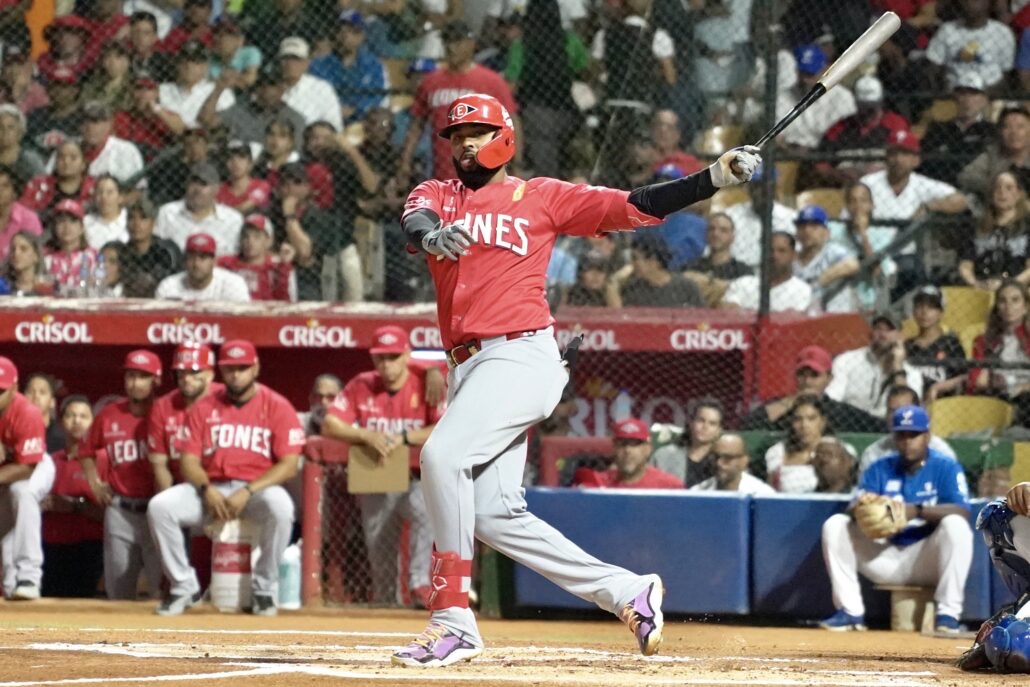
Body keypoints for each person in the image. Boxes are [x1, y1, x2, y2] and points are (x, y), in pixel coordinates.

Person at [392, 92, 761, 666]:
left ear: (506, 135)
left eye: (479, 133)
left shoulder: (540, 196)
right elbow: (415, 222)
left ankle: (452, 619)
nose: (466, 144)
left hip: (519, 354)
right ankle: (625, 592)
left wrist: (712, 177)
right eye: (458, 136)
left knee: (441, 459)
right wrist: (430, 236)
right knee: (491, 514)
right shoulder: (438, 195)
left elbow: (635, 204)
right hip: (468, 366)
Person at [147, 339, 304, 616]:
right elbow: (188, 460)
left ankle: (264, 588)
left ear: (255, 368)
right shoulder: (204, 407)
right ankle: (184, 587)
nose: (235, 374)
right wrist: (206, 489)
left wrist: (249, 490)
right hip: (211, 489)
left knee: (282, 508)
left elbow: (290, 464)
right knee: (161, 507)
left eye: (242, 368)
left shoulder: (276, 405)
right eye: (230, 368)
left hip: (256, 490)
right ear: (221, 371)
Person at [819, 405, 973, 633]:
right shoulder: (880, 467)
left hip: (926, 557)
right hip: (885, 555)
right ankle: (851, 613)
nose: (908, 441)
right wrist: (865, 507)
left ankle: (948, 615)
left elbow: (962, 511)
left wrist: (916, 511)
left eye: (914, 434)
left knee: (956, 526)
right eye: (902, 435)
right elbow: (853, 506)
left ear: (927, 436)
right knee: (835, 525)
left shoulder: (945, 466)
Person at [322, 325, 444, 607]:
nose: (387, 365)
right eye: (381, 358)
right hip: (378, 474)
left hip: (418, 476)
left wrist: (403, 438)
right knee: (379, 546)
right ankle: (388, 603)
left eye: (393, 357)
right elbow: (330, 423)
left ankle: (419, 583)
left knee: (426, 513)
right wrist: (366, 435)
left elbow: (443, 426)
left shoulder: (426, 380)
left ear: (406, 356)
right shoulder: (361, 384)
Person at [78, 350, 163, 600]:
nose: (135, 383)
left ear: (155, 380)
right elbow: (85, 451)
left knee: (159, 589)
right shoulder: (110, 413)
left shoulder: (163, 413)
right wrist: (94, 482)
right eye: (130, 376)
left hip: (157, 510)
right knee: (119, 590)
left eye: (142, 377)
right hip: (121, 510)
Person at [397, 21, 519, 183]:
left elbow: (511, 122)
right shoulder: (431, 82)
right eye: (447, 41)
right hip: (443, 175)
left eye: (457, 41)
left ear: (471, 44)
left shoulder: (491, 82)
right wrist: (405, 161)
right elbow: (417, 125)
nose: (451, 47)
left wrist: (516, 161)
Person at [40, 395, 105, 598]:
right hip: (49, 549)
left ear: (93, 423)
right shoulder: (48, 461)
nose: (77, 421)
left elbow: (110, 514)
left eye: (83, 416)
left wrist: (74, 506)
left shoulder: (102, 460)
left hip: (88, 549)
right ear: (61, 422)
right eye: (71, 415)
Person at [0, 356, 54, 601]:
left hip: (34, 465)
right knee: (4, 525)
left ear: (14, 388)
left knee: (23, 492)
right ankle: (12, 586)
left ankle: (29, 576)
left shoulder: (26, 412)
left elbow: (27, 467)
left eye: (0, 391)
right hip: (6, 471)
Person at [739, 345, 883, 433]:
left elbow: (879, 427)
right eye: (802, 375)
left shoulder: (841, 411)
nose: (807, 381)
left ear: (829, 378)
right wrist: (793, 400)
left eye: (815, 375)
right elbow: (747, 425)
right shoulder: (782, 405)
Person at [811, 75, 908, 188]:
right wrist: (837, 174)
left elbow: (908, 160)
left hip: (885, 186)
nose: (867, 111)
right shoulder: (840, 127)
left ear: (881, 102)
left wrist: (884, 172)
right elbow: (820, 163)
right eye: (864, 106)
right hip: (844, 187)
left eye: (872, 107)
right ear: (856, 102)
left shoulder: (896, 124)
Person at [147, 343, 221, 493]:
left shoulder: (226, 399)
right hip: (183, 487)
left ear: (210, 374)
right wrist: (170, 498)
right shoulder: (163, 406)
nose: (186, 379)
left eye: (194, 372)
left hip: (224, 484)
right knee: (158, 507)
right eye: (181, 373)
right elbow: (160, 464)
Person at [826, 312, 926, 418]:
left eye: (889, 330)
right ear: (871, 332)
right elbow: (833, 398)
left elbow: (908, 412)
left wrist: (898, 368)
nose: (882, 334)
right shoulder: (847, 360)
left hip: (887, 426)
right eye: (878, 328)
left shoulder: (912, 373)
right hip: (849, 420)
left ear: (900, 336)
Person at [968, 279, 1030, 425]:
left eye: (1015, 300)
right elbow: (978, 380)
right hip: (997, 398)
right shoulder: (983, 341)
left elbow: (988, 378)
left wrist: (1017, 386)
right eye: (1002, 301)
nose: (1008, 306)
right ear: (996, 306)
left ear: (1025, 307)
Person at [858, 385, 957, 474]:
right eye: (892, 411)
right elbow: (865, 492)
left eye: (904, 410)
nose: (897, 416)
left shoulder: (942, 452)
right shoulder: (874, 453)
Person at [309, 11, 387, 125]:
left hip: (363, 121)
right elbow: (315, 95)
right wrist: (336, 109)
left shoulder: (373, 64)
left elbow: (377, 95)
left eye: (353, 32)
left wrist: (355, 109)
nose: (346, 36)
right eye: (341, 31)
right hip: (327, 120)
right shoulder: (319, 65)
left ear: (362, 36)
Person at [919, 73, 995, 186]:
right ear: (955, 97)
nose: (967, 100)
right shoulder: (938, 128)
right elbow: (924, 161)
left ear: (984, 99)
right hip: (939, 185)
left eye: (973, 94)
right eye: (963, 94)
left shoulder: (991, 130)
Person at [958, 170, 1030, 289]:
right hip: (982, 287)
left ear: (1018, 194)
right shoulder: (977, 227)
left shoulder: (1027, 226)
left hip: (1018, 288)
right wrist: (976, 284)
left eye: (1009, 188)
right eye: (997, 187)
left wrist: (1008, 286)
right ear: (991, 194)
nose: (1002, 192)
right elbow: (965, 265)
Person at [154, 163, 244, 256]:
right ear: (186, 185)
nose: (197, 189)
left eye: (203, 184)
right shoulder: (167, 213)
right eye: (193, 183)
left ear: (216, 189)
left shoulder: (233, 220)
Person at [925, 0, 1016, 91]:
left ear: (988, 3)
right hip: (953, 93)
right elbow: (933, 68)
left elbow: (1006, 73)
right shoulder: (947, 30)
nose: (969, 3)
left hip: (990, 93)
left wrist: (985, 95)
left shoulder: (1002, 33)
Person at [572, 417, 684, 489]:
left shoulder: (668, 486)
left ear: (648, 449)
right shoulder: (598, 484)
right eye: (622, 444)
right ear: (614, 448)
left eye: (635, 444)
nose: (627, 450)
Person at [720, 231, 813, 312]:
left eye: (782, 251)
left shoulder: (803, 290)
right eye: (770, 250)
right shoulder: (743, 284)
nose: (774, 255)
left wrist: (746, 312)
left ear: (794, 255)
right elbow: (728, 309)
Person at [764, 394, 839, 494]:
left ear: (823, 422)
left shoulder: (839, 451)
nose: (804, 425)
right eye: (798, 419)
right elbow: (771, 491)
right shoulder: (777, 452)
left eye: (811, 418)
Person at [904, 285, 968, 402]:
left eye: (931, 307)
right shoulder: (908, 346)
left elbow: (965, 377)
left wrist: (938, 387)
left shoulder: (951, 344)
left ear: (941, 313)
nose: (924, 312)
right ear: (913, 312)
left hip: (943, 405)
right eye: (919, 306)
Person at [792, 205, 859, 313]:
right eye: (802, 226)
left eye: (814, 226)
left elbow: (852, 265)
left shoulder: (832, 251)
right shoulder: (792, 259)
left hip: (836, 318)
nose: (807, 231)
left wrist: (818, 282)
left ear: (826, 232)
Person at [610, 231, 704, 308]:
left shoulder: (686, 288)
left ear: (653, 261)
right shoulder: (633, 289)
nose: (632, 264)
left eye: (635, 258)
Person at [217, 214, 297, 301]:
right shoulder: (226, 263)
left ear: (269, 241)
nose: (250, 241)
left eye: (257, 237)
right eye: (245, 236)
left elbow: (285, 302)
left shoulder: (278, 266)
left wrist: (284, 267)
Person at [958, 107, 1030, 203]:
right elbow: (965, 177)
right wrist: (998, 185)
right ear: (1000, 132)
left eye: (1020, 127)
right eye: (1007, 127)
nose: (1014, 133)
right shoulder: (992, 154)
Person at [158, 40, 234, 130]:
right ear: (177, 63)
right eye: (185, 60)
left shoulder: (222, 92)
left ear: (205, 66)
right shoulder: (162, 90)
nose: (189, 65)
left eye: (196, 62)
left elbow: (216, 124)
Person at [155, 232, 251, 302]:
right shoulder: (169, 286)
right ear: (184, 261)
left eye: (203, 258)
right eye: (191, 257)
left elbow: (242, 322)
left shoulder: (233, 284)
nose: (196, 264)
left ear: (214, 261)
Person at [649, 398, 723, 488]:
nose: (705, 426)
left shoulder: (722, 461)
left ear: (719, 430)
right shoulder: (664, 456)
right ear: (691, 422)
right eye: (701, 420)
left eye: (712, 423)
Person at [683, 213, 754, 307]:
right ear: (706, 235)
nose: (716, 234)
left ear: (732, 237)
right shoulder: (691, 265)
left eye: (723, 230)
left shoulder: (742, 270)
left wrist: (707, 283)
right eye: (711, 229)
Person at [113, 73, 186, 163]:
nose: (143, 93)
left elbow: (181, 130)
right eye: (139, 88)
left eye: (149, 89)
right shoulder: (122, 116)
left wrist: (156, 110)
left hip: (158, 164)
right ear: (131, 91)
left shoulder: (165, 115)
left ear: (156, 93)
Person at [20, 141, 96, 226]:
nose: (66, 162)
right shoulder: (38, 185)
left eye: (73, 158)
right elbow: (23, 214)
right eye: (61, 157)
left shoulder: (96, 188)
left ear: (83, 164)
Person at [120, 196, 182, 298]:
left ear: (153, 223)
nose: (136, 224)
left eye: (143, 218)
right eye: (131, 218)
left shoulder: (167, 251)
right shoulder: (122, 252)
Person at [278, 37, 343, 132]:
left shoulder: (322, 89)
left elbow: (335, 125)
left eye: (296, 59)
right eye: (286, 58)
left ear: (307, 62)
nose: (290, 64)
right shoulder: (270, 89)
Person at [43, 199, 98, 295]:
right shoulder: (45, 257)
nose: (67, 226)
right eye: (61, 221)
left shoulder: (94, 256)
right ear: (54, 227)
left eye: (72, 221)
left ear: (81, 227)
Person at [690, 434, 775, 495]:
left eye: (727, 458)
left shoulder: (762, 494)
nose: (719, 463)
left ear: (744, 461)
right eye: (716, 457)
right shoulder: (697, 493)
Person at [0, 166, 42, 262]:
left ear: (14, 190)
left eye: (5, 186)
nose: (0, 191)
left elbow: (37, 257)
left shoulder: (29, 219)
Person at [217, 141, 271, 215]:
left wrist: (225, 214)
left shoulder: (262, 185)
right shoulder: (219, 190)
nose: (235, 162)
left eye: (241, 157)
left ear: (250, 164)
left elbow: (245, 208)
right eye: (230, 158)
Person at [23, 373, 64, 453]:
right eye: (30, 391)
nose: (36, 396)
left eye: (42, 392)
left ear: (52, 402)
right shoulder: (11, 433)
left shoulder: (61, 439)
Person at [84, 174, 128, 250]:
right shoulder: (86, 222)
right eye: (99, 192)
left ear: (120, 197)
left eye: (109, 192)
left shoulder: (130, 219)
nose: (104, 197)